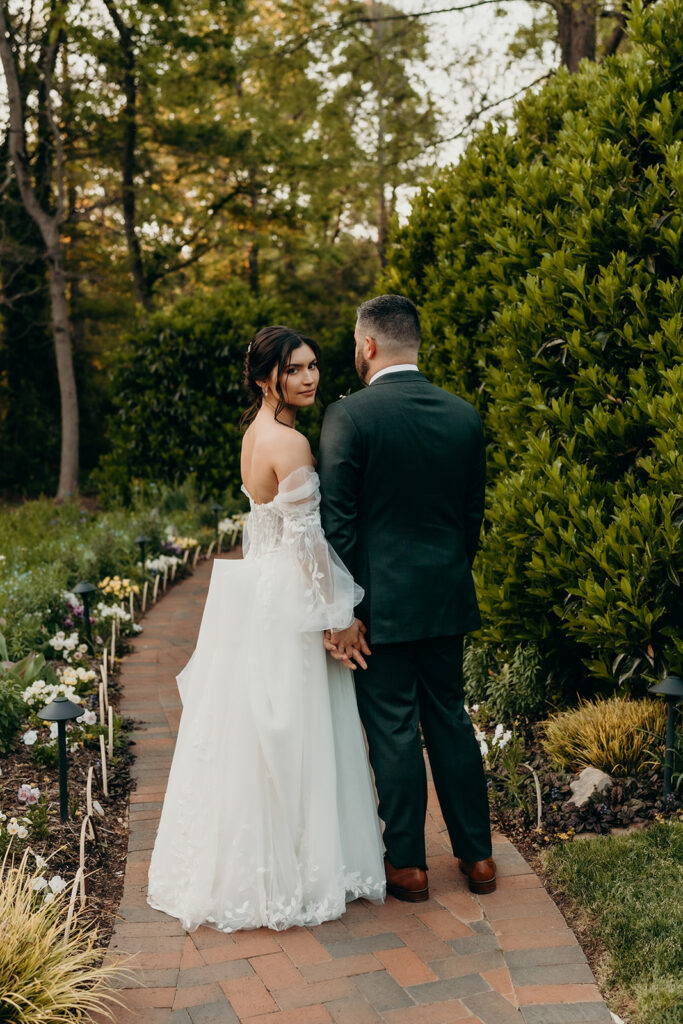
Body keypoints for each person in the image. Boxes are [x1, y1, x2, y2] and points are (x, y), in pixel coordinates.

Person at [147, 325, 385, 933]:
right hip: (290, 598)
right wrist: (338, 619)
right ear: (264, 377)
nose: (310, 377)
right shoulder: (293, 446)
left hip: (257, 592)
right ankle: (299, 869)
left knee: (258, 732)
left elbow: (264, 531)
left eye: (313, 367)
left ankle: (253, 867)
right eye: (296, 369)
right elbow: (309, 547)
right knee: (298, 731)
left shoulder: (256, 434)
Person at [318, 294, 496, 901]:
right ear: (415, 343)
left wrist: (343, 612)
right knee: (450, 718)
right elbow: (471, 517)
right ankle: (478, 859)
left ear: (368, 345)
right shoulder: (463, 415)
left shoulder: (350, 417)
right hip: (445, 597)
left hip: (379, 606)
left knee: (393, 729)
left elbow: (337, 525)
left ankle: (410, 867)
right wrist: (445, 574)